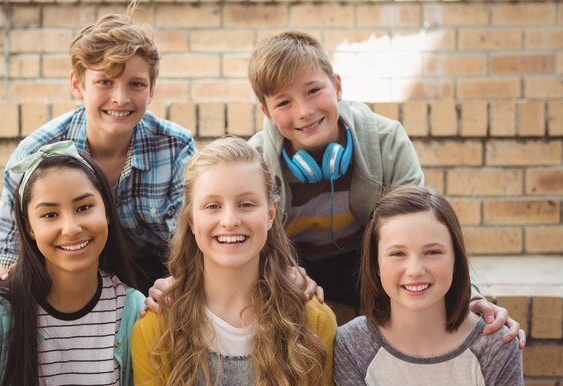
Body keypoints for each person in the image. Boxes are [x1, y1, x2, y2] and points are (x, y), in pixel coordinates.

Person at [147, 30, 524, 346]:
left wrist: (470, 297)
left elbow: (421, 229)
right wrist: (188, 281)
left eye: (313, 91)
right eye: (284, 102)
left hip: (370, 260)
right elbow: (227, 234)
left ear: (337, 86)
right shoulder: (256, 159)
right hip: (296, 267)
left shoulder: (386, 139)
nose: (304, 112)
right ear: (266, 113)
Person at [0, 5, 195, 295]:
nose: (120, 98)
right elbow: (10, 247)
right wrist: (2, 271)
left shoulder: (174, 146)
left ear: (151, 88)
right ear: (77, 85)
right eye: (105, 82)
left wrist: (182, 279)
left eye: (135, 84)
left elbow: (189, 238)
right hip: (66, 272)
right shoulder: (37, 151)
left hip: (151, 276)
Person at [131, 137, 337, 386]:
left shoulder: (314, 322)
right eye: (213, 206)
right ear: (192, 220)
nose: (229, 220)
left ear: (271, 214)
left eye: (246, 204)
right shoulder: (154, 329)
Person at [0, 141, 143, 386]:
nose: (71, 228)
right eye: (50, 214)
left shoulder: (132, 309)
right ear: (29, 227)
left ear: (107, 212)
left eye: (84, 207)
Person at [333, 185, 524, 386]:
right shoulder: (352, 344)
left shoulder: (496, 345)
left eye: (432, 252)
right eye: (397, 254)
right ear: (376, 264)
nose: (415, 270)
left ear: (456, 259)